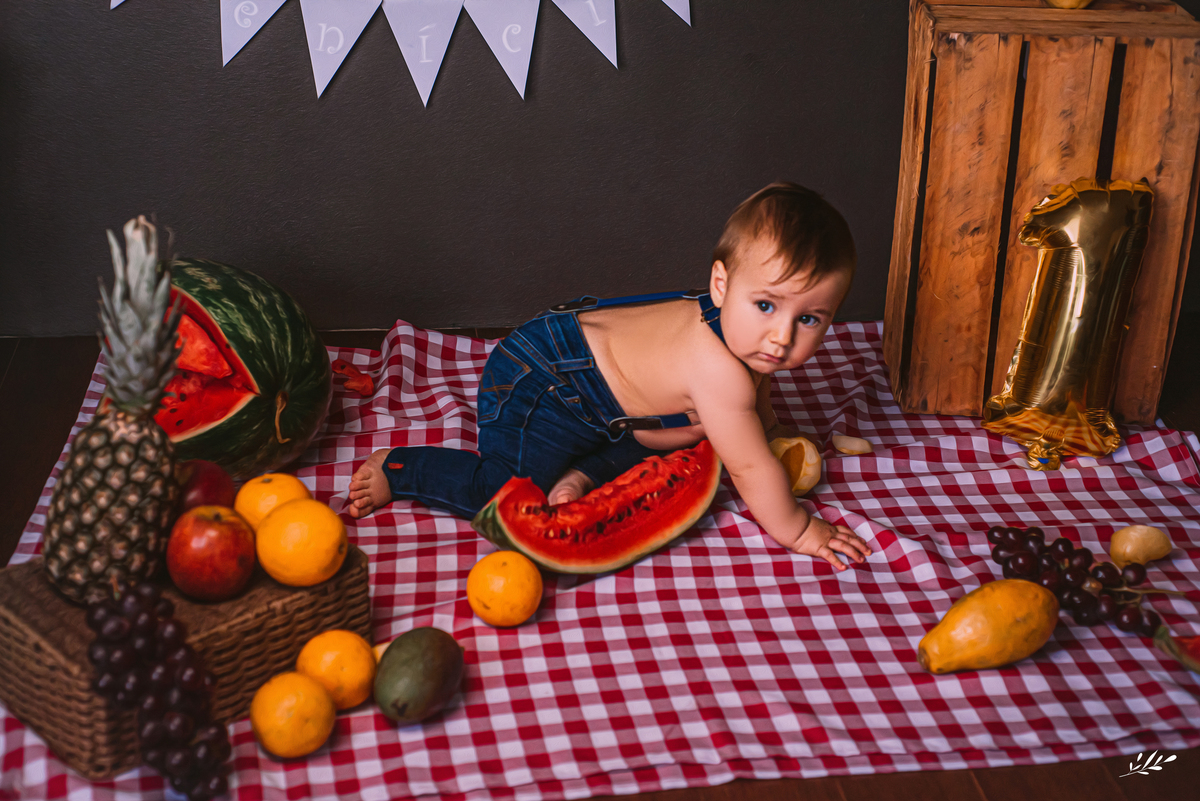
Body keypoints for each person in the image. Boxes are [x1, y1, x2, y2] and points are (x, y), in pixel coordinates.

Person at [349, 182, 872, 570]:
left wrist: (773, 429)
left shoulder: (744, 340)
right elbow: (753, 470)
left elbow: (757, 400)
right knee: (507, 490)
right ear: (721, 284)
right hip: (539, 381)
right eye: (766, 305)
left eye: (809, 319)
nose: (781, 338)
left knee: (693, 433)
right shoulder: (721, 372)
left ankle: (583, 473)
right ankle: (401, 470)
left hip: (594, 389)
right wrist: (801, 531)